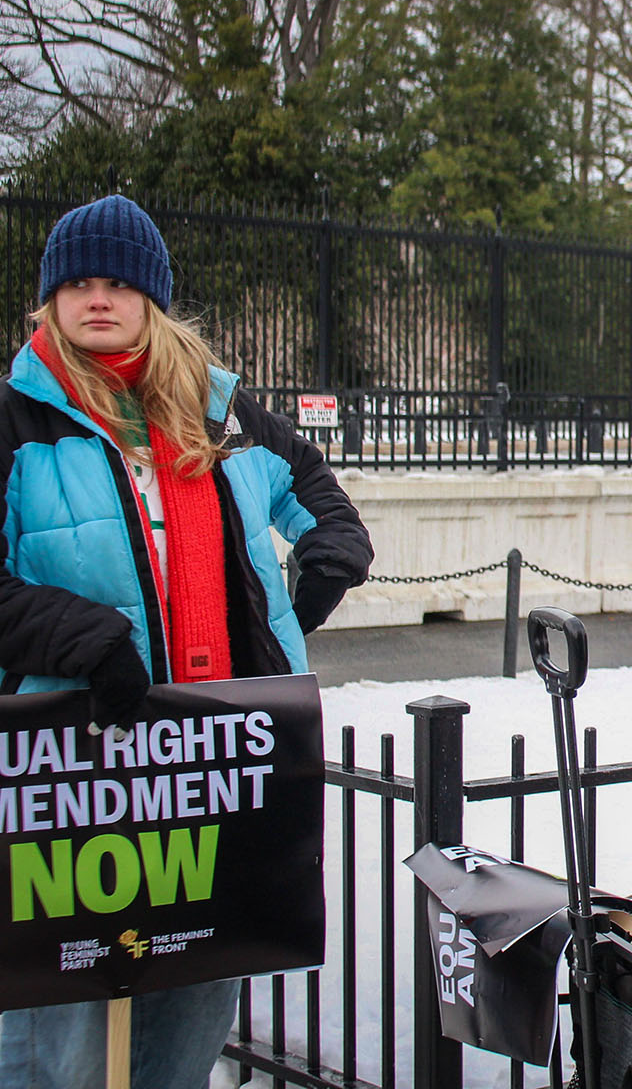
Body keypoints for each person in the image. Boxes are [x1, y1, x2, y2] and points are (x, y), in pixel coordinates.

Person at [0, 194, 373, 1089]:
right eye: (78, 284)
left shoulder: (218, 406)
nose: (98, 299)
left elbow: (312, 487)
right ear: (49, 300)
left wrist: (331, 550)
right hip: (77, 778)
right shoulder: (17, 419)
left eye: (119, 282)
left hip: (215, 765)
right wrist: (82, 635)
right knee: (69, 1045)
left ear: (152, 298)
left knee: (190, 1018)